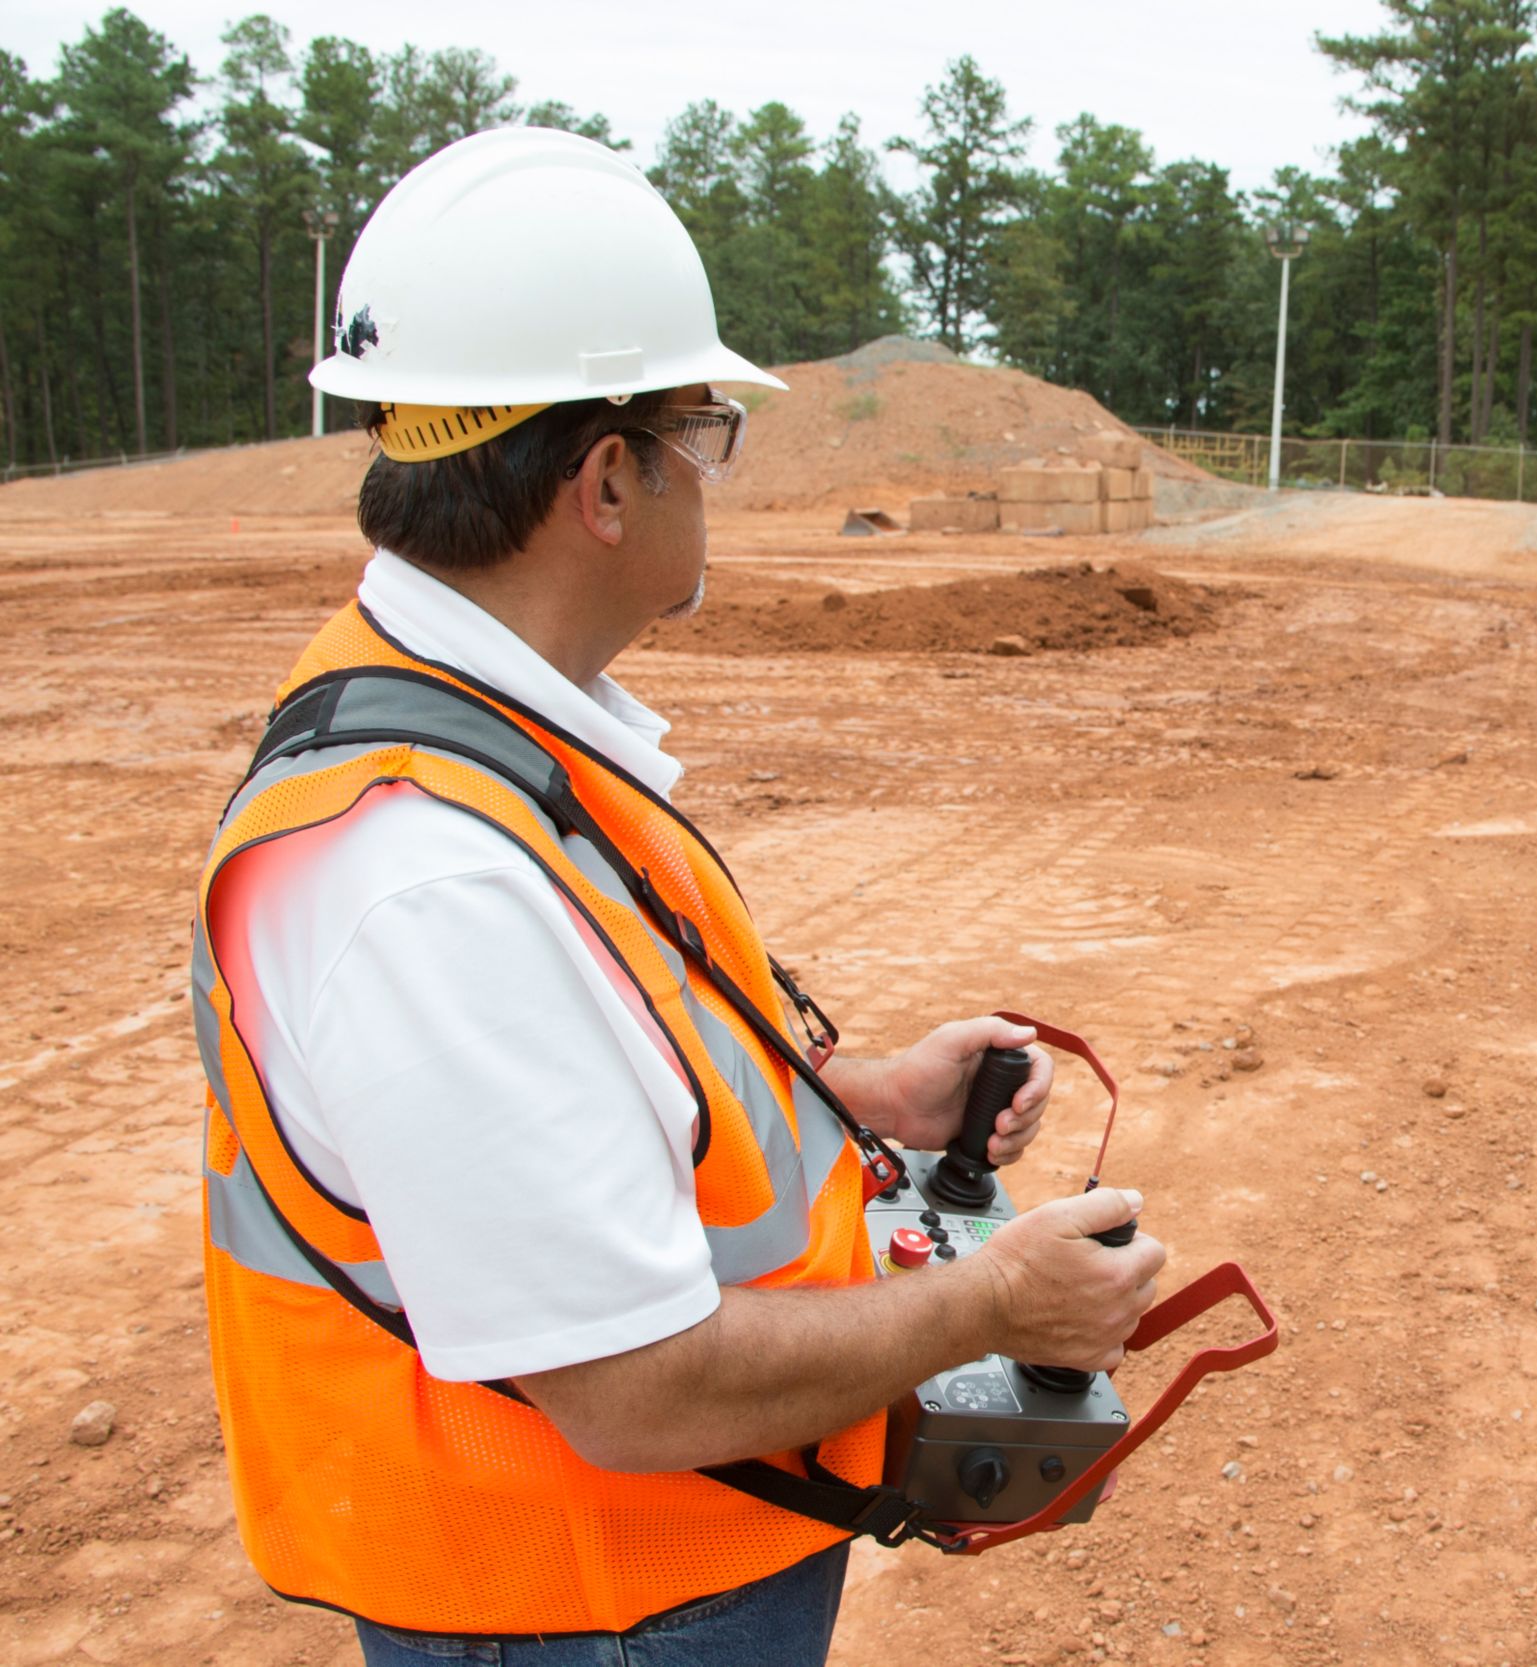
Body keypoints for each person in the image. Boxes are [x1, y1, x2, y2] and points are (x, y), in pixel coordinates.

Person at [189, 128, 1165, 1665]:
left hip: (639, 1581)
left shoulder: (483, 733)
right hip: (577, 1610)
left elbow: (576, 1086)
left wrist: (858, 1092)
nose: (716, 477)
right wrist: (991, 1311)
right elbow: (630, 1387)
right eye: (703, 433)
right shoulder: (426, 875)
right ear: (603, 482)